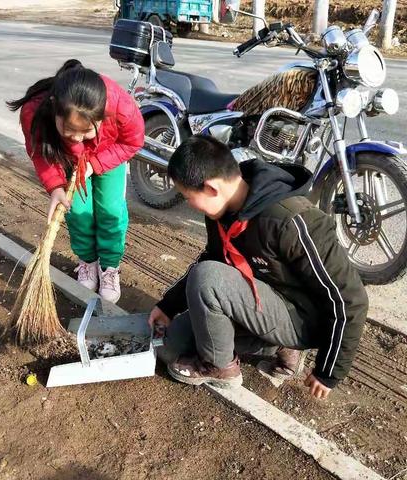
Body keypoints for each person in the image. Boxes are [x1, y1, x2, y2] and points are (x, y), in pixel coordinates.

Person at [149, 135, 368, 399]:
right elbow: (214, 257)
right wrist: (168, 306)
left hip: (303, 318)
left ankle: (221, 368)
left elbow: (349, 298)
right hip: (261, 302)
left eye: (187, 196)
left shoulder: (292, 221)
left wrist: (329, 371)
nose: (189, 204)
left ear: (211, 188)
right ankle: (276, 347)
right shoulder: (222, 212)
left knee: (207, 278)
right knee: (172, 345)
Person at [7, 60, 144, 304]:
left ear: (103, 115)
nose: (78, 137)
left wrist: (97, 163)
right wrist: (55, 187)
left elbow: (133, 142)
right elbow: (39, 152)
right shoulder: (35, 111)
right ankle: (88, 262)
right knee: (78, 211)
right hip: (67, 161)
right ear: (54, 110)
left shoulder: (120, 105)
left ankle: (109, 267)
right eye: (69, 130)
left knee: (110, 210)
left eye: (86, 131)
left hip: (110, 155)